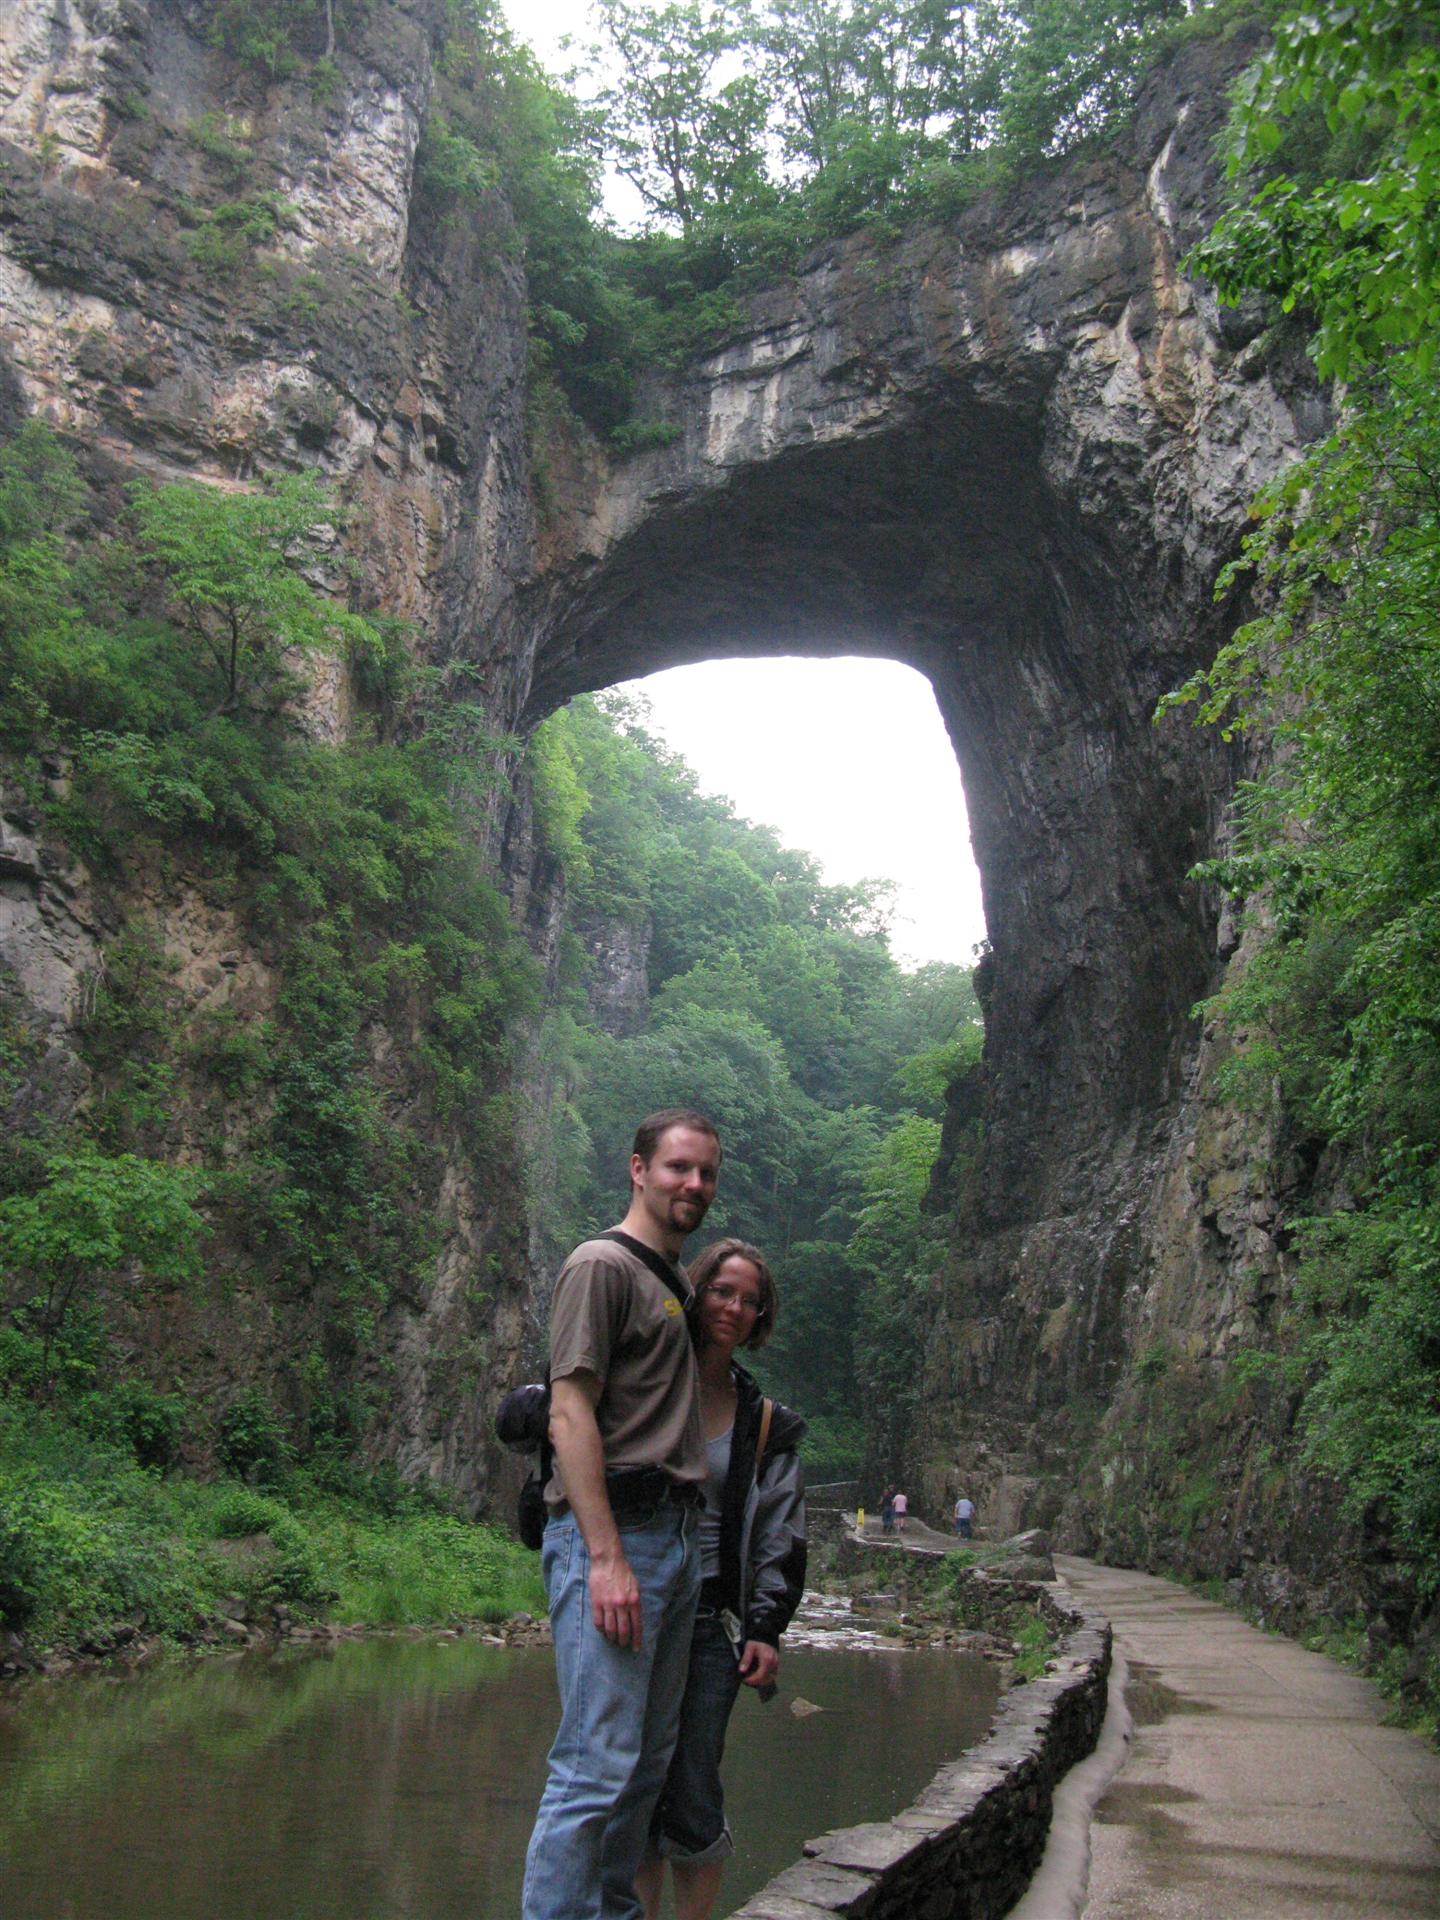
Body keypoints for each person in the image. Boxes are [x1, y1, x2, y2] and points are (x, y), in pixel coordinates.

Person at [522, 1109, 722, 1920]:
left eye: (706, 1173)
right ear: (638, 1170)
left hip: (673, 1539)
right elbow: (570, 1410)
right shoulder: (600, 1265)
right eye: (678, 1167)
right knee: (595, 1763)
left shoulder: (674, 1283)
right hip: (615, 1539)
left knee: (642, 1766)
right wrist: (604, 1557)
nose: (694, 1185)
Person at [635, 1238, 806, 1920]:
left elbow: (781, 1534)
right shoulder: (645, 1382)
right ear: (696, 1290)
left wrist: (766, 1626)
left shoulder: (765, 1424)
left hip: (713, 1622)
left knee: (694, 1780)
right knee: (633, 1779)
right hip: (642, 1606)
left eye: (749, 1300)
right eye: (722, 1291)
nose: (733, 1307)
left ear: (761, 1315)